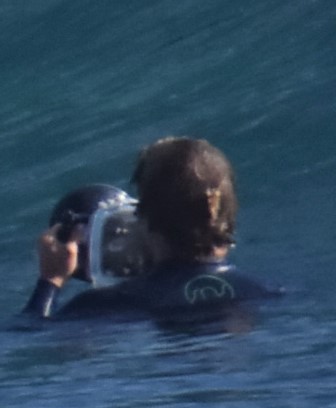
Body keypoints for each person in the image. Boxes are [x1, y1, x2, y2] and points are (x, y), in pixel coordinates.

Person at [25, 135, 279, 326]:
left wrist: (50, 281)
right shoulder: (265, 292)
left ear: (143, 216)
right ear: (230, 212)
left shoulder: (109, 305)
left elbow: (32, 333)